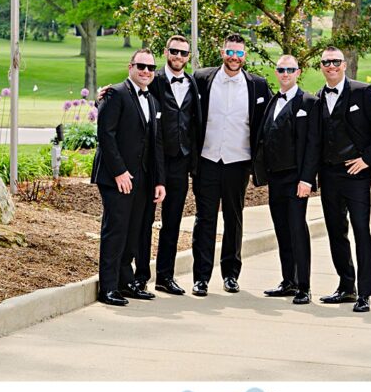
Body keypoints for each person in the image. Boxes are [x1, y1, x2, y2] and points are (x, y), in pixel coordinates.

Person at [191, 33, 272, 296]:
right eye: (230, 52)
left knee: (233, 219)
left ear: (244, 56)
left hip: (238, 163)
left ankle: (231, 275)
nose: (234, 57)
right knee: (205, 220)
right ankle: (201, 278)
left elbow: (274, 117)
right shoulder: (202, 78)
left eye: (239, 53)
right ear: (222, 52)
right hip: (207, 160)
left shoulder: (258, 85)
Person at [317, 45, 371, 313]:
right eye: (326, 62)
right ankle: (346, 286)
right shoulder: (318, 97)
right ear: (321, 66)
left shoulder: (363, 91)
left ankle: (365, 293)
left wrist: (367, 159)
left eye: (336, 61)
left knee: (361, 230)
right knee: (336, 231)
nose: (331, 66)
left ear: (344, 64)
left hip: (356, 174)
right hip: (329, 174)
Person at [90, 49, 165, 306]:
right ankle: (108, 287)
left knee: (135, 231)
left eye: (151, 68)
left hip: (143, 178)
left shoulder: (152, 100)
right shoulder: (115, 93)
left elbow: (156, 144)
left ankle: (126, 282)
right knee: (116, 230)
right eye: (141, 66)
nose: (146, 71)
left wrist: (159, 181)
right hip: (116, 177)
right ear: (130, 66)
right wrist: (119, 172)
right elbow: (106, 135)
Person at [135, 35, 202, 295]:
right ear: (166, 52)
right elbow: (130, 96)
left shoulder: (192, 83)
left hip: (180, 163)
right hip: (153, 162)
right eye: (174, 51)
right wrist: (101, 98)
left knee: (172, 222)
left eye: (183, 53)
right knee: (145, 221)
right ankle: (140, 276)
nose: (178, 56)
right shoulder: (153, 79)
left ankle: (165, 276)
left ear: (188, 56)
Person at [253, 55, 320, 305]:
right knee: (281, 229)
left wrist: (307, 179)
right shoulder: (273, 100)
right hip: (275, 178)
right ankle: (288, 280)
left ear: (298, 72)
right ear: (276, 72)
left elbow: (313, 144)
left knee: (297, 229)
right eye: (281, 69)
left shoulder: (309, 102)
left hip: (296, 179)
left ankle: (304, 285)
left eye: (290, 69)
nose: (285, 74)